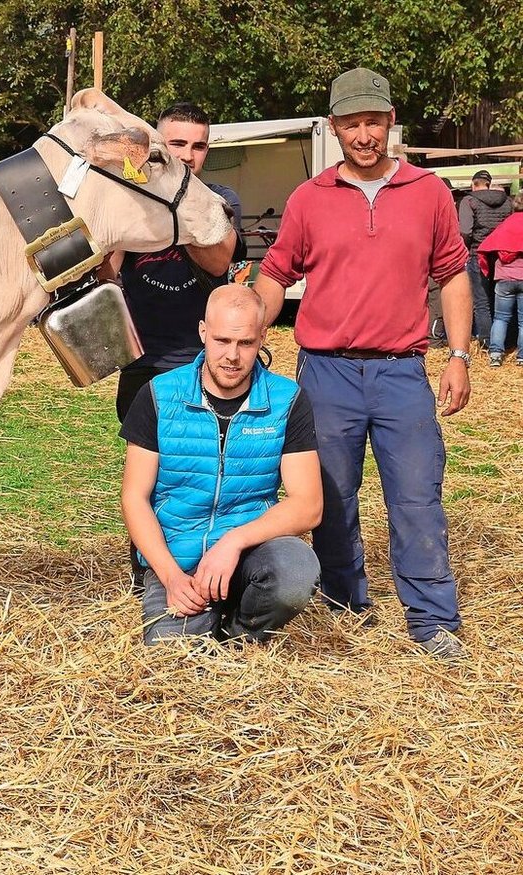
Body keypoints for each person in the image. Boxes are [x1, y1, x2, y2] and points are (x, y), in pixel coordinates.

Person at [252, 67, 472, 659]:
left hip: (402, 370)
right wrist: (250, 325)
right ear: (335, 127)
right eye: (352, 124)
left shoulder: (428, 193)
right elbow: (276, 272)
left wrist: (458, 355)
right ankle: (344, 601)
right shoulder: (309, 197)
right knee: (328, 494)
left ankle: (432, 619)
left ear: (390, 122)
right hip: (326, 370)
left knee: (417, 495)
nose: (364, 134)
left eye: (374, 121)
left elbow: (452, 274)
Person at [120, 284, 321, 645]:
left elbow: (308, 505)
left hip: (249, 553)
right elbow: (135, 497)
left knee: (295, 571)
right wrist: (170, 577)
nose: (232, 355)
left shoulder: (286, 400)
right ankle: (192, 614)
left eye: (245, 343)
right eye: (221, 340)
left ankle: (240, 637)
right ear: (203, 332)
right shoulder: (159, 394)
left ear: (263, 337)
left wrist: (233, 542)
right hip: (179, 557)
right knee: (173, 660)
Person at [106, 101, 246, 421]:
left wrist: (178, 207)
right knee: (146, 465)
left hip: (204, 360)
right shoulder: (134, 201)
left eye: (198, 146)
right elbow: (108, 272)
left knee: (202, 463)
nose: (187, 155)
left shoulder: (221, 199)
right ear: (159, 144)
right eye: (178, 144)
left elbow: (218, 262)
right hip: (143, 362)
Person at [459, 170, 511, 350]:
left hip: (477, 253)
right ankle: (506, 341)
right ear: (489, 183)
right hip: (502, 256)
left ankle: (487, 342)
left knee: (481, 301)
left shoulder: (469, 201)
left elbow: (465, 230)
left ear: (474, 184)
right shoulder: (507, 201)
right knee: (500, 299)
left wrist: (464, 248)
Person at [477, 193, 523, 366]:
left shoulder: (505, 225)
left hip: (503, 279)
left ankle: (495, 353)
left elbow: (485, 247)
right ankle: (521, 357)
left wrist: (486, 270)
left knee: (500, 318)